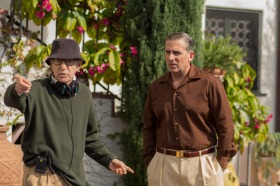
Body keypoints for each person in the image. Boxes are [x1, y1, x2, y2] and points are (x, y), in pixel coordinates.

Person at [4, 38, 134, 186]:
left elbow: (90, 138)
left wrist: (109, 159)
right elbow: (12, 100)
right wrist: (17, 90)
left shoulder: (84, 94)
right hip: (43, 177)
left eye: (69, 61)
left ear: (79, 65)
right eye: (58, 61)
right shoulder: (35, 89)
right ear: (51, 64)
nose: (63, 67)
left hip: (75, 178)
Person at [142, 32, 237, 186]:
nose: (170, 57)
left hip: (203, 165)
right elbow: (148, 127)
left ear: (190, 55)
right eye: (167, 52)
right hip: (164, 165)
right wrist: (151, 161)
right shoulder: (156, 87)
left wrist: (221, 162)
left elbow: (225, 124)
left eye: (176, 53)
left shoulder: (209, 84)